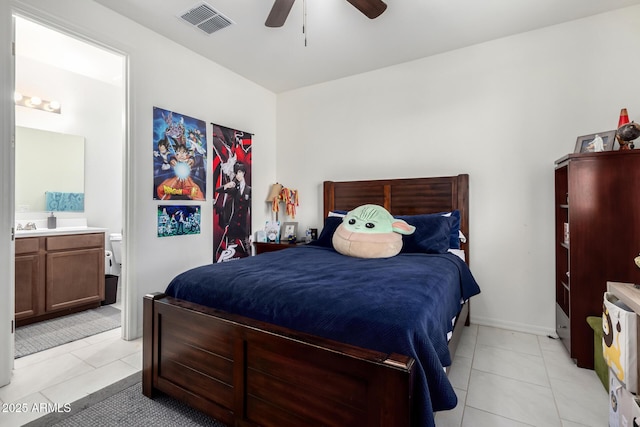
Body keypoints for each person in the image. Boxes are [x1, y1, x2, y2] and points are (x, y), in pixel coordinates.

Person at [215, 162, 251, 257]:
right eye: (235, 173)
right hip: (233, 222)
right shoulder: (235, 188)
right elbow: (218, 190)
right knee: (229, 248)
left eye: (239, 172)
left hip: (243, 224)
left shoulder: (249, 190)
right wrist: (227, 185)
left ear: (243, 172)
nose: (237, 175)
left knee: (247, 249)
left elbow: (251, 208)